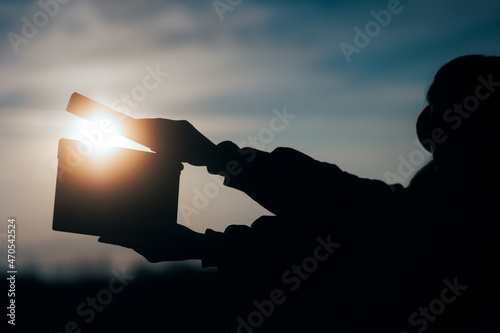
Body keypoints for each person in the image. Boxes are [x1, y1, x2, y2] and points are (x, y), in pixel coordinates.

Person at [99, 55, 500, 332]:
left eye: (454, 115)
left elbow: (368, 252)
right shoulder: (437, 194)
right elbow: (362, 212)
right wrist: (213, 157)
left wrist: (209, 244)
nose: (438, 130)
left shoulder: (467, 220)